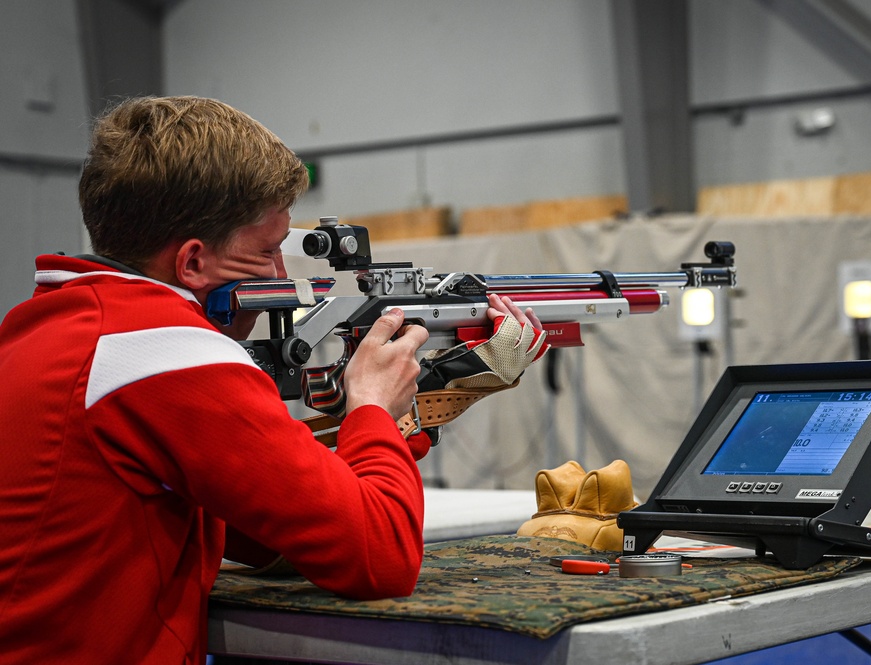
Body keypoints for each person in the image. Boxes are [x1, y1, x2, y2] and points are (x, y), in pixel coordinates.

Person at [0, 96, 541, 664]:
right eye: (266, 252)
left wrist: (422, 400)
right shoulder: (165, 354)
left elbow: (268, 524)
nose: (281, 276)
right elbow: (379, 559)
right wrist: (372, 409)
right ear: (192, 265)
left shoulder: (48, 329)